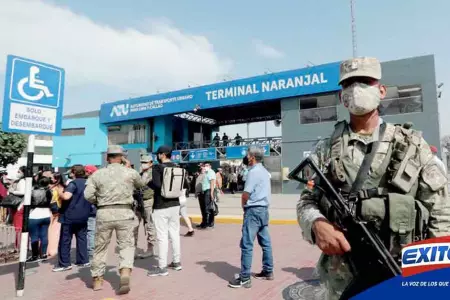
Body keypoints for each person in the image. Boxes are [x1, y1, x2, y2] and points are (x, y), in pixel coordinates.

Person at [296, 57, 450, 299]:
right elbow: (306, 201)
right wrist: (316, 224)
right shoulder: (326, 149)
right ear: (341, 97)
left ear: (381, 90)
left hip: (402, 270)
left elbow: (441, 213)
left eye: (364, 81)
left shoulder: (412, 145)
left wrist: (434, 277)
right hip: (342, 279)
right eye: (349, 84)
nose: (356, 89)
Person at [84, 145, 143, 294]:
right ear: (122, 157)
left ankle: (97, 280)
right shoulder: (130, 172)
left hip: (104, 212)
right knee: (126, 245)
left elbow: (88, 195)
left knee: (100, 247)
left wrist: (99, 201)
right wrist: (129, 168)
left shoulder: (97, 174)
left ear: (107, 158)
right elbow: (141, 185)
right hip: (125, 212)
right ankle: (124, 272)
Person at [228, 146, 274, 288]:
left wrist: (244, 207)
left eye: (248, 154)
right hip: (264, 210)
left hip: (253, 210)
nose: (246, 156)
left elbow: (245, 194)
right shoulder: (265, 172)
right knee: (265, 242)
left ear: (252, 157)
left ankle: (245, 277)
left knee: (247, 244)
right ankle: (268, 271)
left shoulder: (253, 172)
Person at [147, 145, 182, 277]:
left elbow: (156, 184)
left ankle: (162, 267)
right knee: (174, 234)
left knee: (162, 236)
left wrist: (148, 183)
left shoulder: (157, 167)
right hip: (175, 204)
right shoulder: (176, 166)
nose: (157, 156)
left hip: (161, 205)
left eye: (158, 154)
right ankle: (177, 262)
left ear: (162, 155)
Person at [53, 165, 91, 272]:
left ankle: (64, 263)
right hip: (83, 215)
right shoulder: (87, 183)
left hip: (70, 215)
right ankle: (83, 260)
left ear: (74, 172)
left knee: (65, 240)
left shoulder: (73, 184)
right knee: (82, 238)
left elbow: (66, 196)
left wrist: (60, 191)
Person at [134, 155, 157, 259]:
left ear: (151, 163)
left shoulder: (153, 173)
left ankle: (150, 249)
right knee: (134, 225)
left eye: (145, 162)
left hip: (148, 201)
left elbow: (142, 184)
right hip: (138, 202)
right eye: (142, 162)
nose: (143, 164)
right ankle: (133, 249)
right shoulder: (140, 173)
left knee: (149, 225)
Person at [27, 177, 53, 262]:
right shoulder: (49, 191)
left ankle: (35, 255)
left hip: (34, 214)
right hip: (46, 214)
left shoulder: (33, 191)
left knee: (34, 236)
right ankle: (43, 254)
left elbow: (29, 202)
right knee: (44, 235)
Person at [47, 172, 65, 258]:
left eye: (52, 178)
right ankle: (50, 249)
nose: (51, 179)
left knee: (54, 230)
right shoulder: (56, 187)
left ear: (57, 179)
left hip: (56, 209)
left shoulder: (58, 187)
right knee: (52, 230)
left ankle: (52, 250)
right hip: (54, 209)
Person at [85, 165, 98, 261]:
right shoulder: (99, 180)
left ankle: (90, 254)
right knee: (91, 232)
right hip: (94, 209)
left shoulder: (90, 182)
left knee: (90, 232)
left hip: (90, 209)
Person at [199, 162, 216, 229]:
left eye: (207, 165)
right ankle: (206, 222)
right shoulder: (205, 172)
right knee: (206, 207)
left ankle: (210, 222)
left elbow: (212, 182)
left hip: (209, 191)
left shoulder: (211, 172)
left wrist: (211, 193)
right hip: (205, 191)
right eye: (205, 165)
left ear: (210, 166)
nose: (206, 166)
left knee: (208, 207)